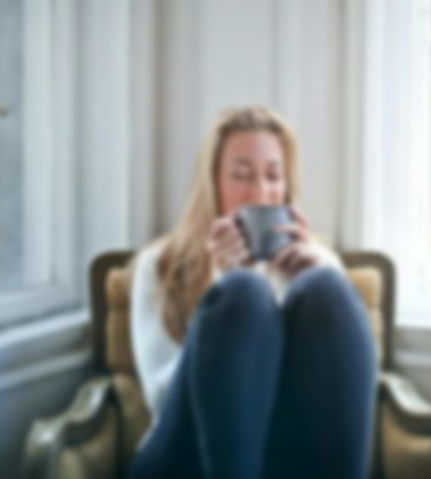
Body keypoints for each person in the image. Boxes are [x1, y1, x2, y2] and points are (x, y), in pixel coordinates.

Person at [128, 105, 377, 479]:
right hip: (185, 453)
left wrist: (303, 282)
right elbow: (162, 398)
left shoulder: (317, 263)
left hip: (285, 454)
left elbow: (344, 398)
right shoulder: (159, 264)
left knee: (326, 287)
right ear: (213, 183)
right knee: (242, 294)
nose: (260, 193)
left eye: (274, 176)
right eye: (242, 176)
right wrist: (221, 283)